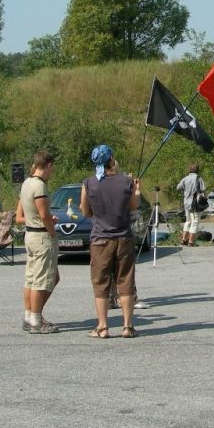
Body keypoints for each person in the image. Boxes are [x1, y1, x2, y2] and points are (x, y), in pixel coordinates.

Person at [80, 145, 141, 338]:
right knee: (125, 281)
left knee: (101, 283)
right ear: (112, 159)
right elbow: (133, 207)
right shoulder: (126, 181)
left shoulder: (89, 183)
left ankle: (103, 327)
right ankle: (127, 326)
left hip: (100, 239)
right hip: (123, 237)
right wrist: (136, 190)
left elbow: (85, 211)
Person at [15, 150, 60, 334]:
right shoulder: (40, 186)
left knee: (32, 278)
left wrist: (43, 219)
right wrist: (52, 230)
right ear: (48, 165)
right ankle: (35, 318)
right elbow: (43, 215)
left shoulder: (26, 183)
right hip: (41, 237)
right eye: (52, 168)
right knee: (42, 280)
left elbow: (21, 215)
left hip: (30, 235)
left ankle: (29, 315)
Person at [177, 162, 205, 247]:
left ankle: (184, 239)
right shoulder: (199, 179)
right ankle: (191, 241)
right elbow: (203, 189)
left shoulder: (185, 178)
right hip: (195, 204)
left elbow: (178, 188)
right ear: (198, 170)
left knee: (188, 221)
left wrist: (186, 191)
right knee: (195, 222)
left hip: (186, 203)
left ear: (190, 170)